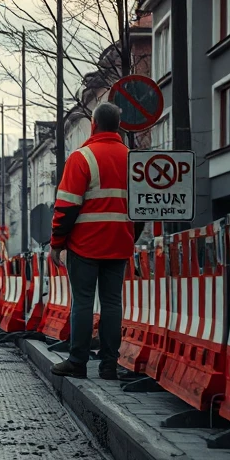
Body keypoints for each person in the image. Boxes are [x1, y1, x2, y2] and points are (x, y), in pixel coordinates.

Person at [50, 102, 144, 380]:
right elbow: (143, 208)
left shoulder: (82, 158)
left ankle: (77, 362)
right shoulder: (134, 161)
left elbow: (66, 208)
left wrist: (57, 243)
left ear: (93, 125)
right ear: (118, 126)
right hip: (119, 244)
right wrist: (130, 237)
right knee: (112, 303)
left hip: (85, 245)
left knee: (83, 302)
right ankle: (109, 365)